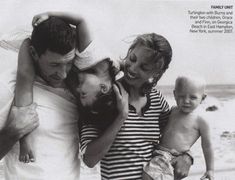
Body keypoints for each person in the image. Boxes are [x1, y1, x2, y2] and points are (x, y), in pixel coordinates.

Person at [79, 33, 193, 179]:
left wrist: (187, 156)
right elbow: (89, 159)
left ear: (156, 73)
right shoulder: (104, 96)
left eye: (144, 67)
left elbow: (177, 135)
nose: (132, 68)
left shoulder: (157, 99)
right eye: (132, 59)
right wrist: (121, 117)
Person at [0, 13, 91, 179]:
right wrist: (12, 133)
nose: (63, 74)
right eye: (54, 64)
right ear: (34, 54)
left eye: (68, 63)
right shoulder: (7, 86)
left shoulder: (79, 87)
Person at [142, 75, 214, 180]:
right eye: (181, 96)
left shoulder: (201, 120)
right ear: (175, 95)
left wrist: (210, 169)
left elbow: (207, 146)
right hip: (158, 152)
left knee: (148, 176)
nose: (186, 101)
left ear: (202, 98)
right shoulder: (173, 110)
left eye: (192, 97)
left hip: (172, 156)